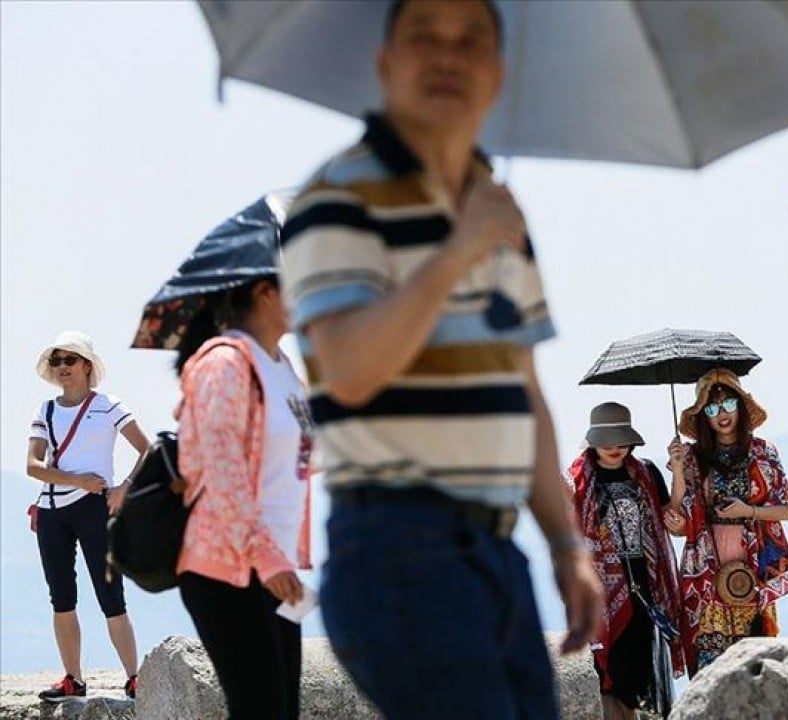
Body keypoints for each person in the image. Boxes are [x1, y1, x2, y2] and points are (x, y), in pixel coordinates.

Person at [278, 1, 603, 717]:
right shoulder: (338, 197)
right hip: (396, 546)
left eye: (472, 41)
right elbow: (350, 372)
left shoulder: (497, 210)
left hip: (496, 550)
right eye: (425, 36)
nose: (448, 56)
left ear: (498, 74)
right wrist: (459, 251)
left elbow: (523, 387)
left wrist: (564, 543)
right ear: (384, 63)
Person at [174, 271, 313, 720]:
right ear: (265, 292)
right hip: (229, 566)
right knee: (260, 709)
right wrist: (264, 554)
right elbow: (220, 466)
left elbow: (299, 459)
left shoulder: (284, 368)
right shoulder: (224, 363)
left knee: (280, 711)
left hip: (277, 567)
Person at [26, 330, 146, 702]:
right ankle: (72, 679)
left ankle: (134, 678)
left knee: (111, 596)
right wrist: (75, 479)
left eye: (70, 359)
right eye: (56, 360)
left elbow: (148, 451)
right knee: (61, 598)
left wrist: (124, 487)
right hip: (51, 511)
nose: (62, 367)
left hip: (95, 510)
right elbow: (32, 466)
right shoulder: (45, 410)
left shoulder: (109, 405)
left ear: (86, 366)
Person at [662, 368, 788, 675]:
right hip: (706, 570)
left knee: (756, 661)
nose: (721, 413)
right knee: (712, 664)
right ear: (703, 417)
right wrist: (678, 471)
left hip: (754, 568)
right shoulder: (694, 457)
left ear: (740, 407)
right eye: (712, 408)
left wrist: (747, 511)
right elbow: (681, 521)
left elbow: (786, 509)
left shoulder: (763, 451)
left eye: (728, 405)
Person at [568, 402, 687, 719]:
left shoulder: (646, 473)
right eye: (607, 442)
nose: (615, 449)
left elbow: (671, 518)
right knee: (607, 668)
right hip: (601, 589)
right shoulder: (577, 481)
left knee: (636, 669)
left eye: (621, 441)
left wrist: (678, 472)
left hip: (644, 585)